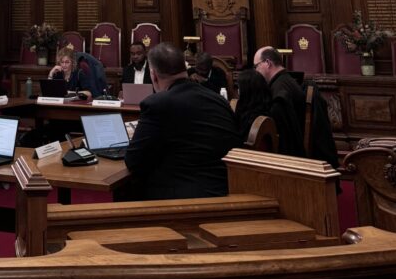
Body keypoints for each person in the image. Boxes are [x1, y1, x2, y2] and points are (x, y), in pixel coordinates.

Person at [125, 42, 240, 199]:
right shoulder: (218, 100)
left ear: (153, 75)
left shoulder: (158, 104)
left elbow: (133, 161)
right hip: (227, 190)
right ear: (185, 68)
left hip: (184, 199)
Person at [252, 46, 306, 158]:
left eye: (256, 66)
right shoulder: (287, 81)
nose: (255, 71)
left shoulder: (279, 92)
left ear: (267, 63)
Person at [234, 69, 273, 142]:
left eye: (239, 88)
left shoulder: (252, 119)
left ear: (247, 91)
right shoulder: (266, 107)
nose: (238, 92)